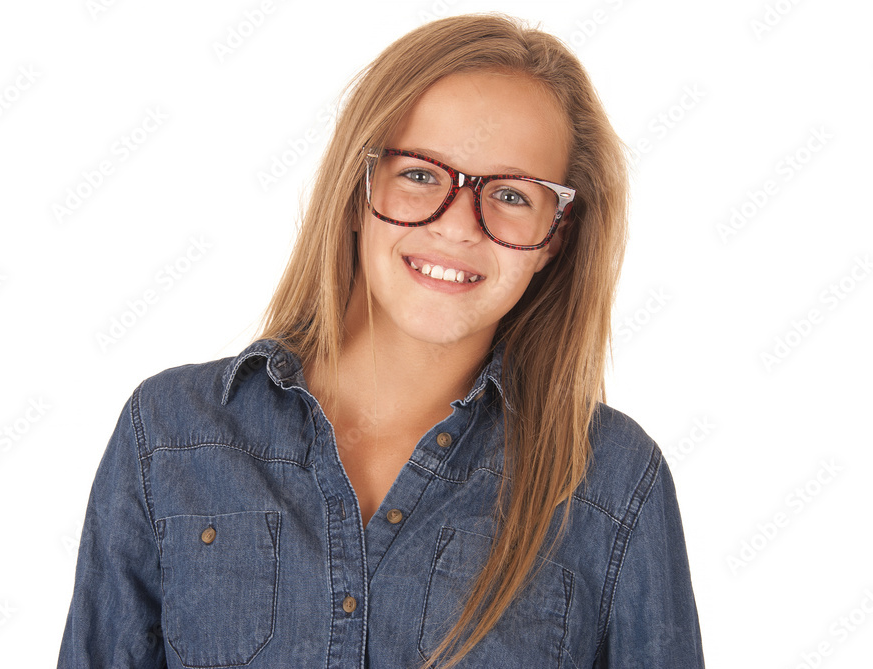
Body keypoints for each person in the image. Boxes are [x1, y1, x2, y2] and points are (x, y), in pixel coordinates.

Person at [58, 13, 705, 668]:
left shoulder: (615, 482)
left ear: (555, 236)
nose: (458, 227)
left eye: (512, 194)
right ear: (360, 183)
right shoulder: (169, 433)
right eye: (422, 174)